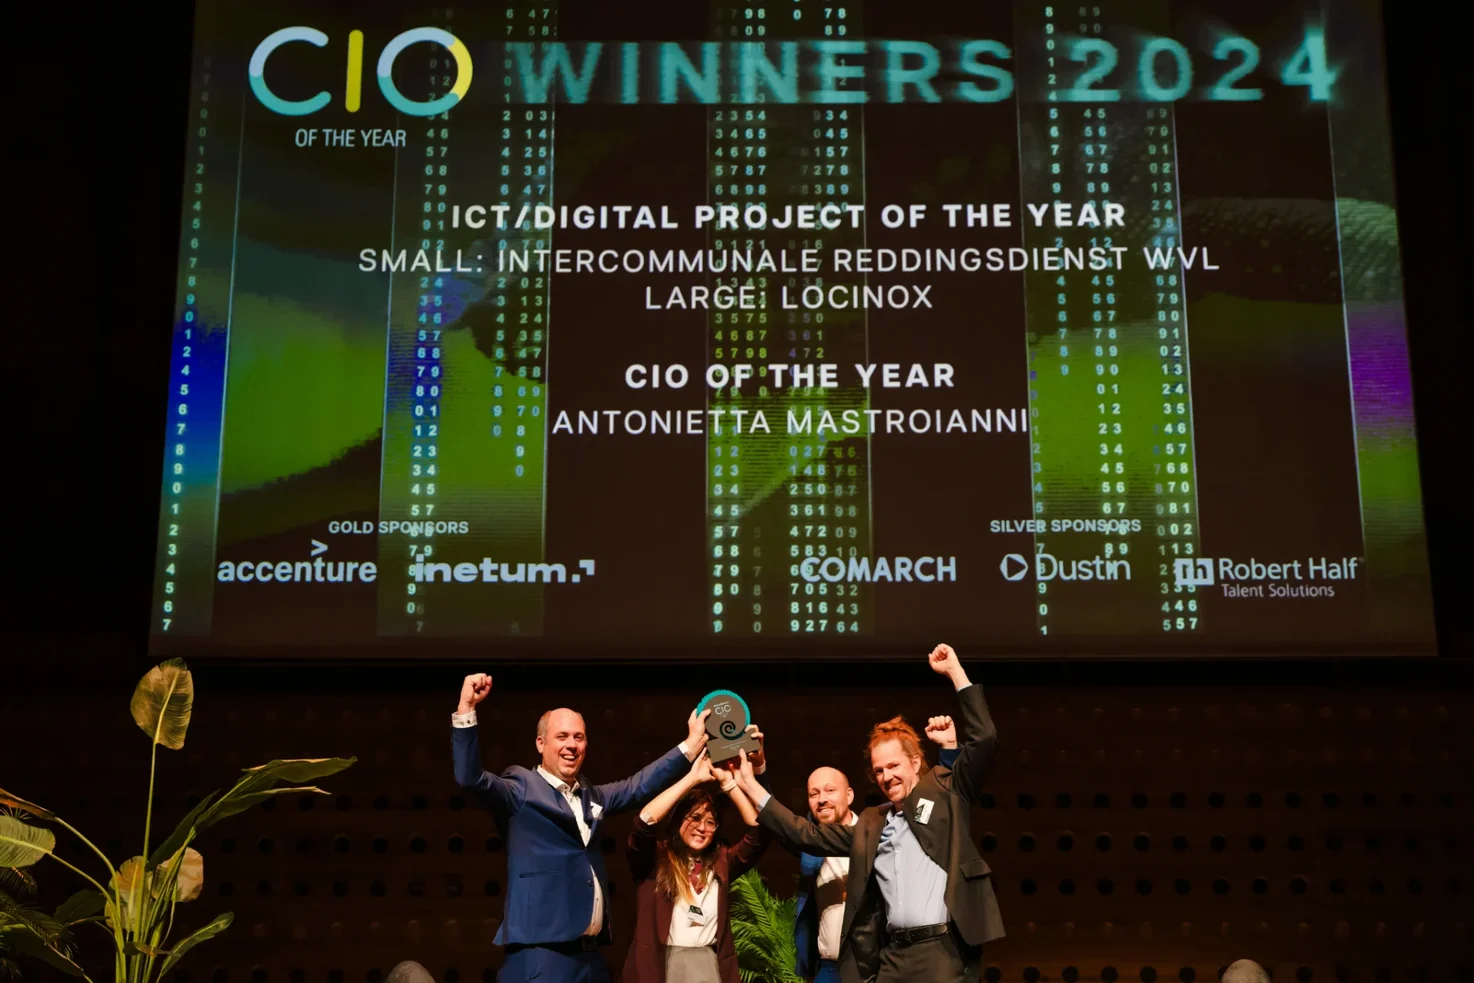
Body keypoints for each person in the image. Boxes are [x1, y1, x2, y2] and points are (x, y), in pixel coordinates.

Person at [734, 644, 1003, 983]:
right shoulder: (873, 823)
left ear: (915, 763)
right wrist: (749, 783)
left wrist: (954, 672)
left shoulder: (945, 796)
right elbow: (804, 833)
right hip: (892, 958)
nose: (887, 776)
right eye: (879, 770)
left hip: (941, 953)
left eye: (894, 766)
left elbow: (984, 739)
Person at [451, 673, 711, 983]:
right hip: (541, 955)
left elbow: (637, 786)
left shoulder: (592, 795)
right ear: (540, 743)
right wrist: (466, 708)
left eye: (579, 737)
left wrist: (689, 747)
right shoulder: (521, 789)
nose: (571, 745)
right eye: (562, 737)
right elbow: (471, 779)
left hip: (590, 957)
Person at [793, 731, 962, 983]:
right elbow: (783, 828)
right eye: (814, 794)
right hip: (829, 967)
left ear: (849, 795)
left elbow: (949, 796)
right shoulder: (816, 845)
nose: (822, 799)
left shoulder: (876, 832)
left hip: (874, 962)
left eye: (829, 790)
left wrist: (949, 748)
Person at [622, 744, 772, 983]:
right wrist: (691, 779)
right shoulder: (655, 859)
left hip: (708, 965)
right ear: (679, 820)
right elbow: (644, 822)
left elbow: (759, 833)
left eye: (710, 822)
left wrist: (729, 784)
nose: (702, 828)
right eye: (695, 818)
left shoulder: (721, 862)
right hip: (660, 966)